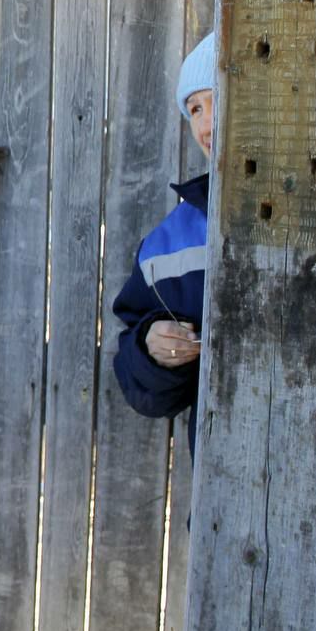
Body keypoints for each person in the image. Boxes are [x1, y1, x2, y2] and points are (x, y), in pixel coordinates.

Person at [112, 32, 215, 459]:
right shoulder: (168, 248)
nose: (206, 125)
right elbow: (142, 388)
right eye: (195, 108)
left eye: (219, 99)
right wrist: (153, 347)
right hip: (221, 506)